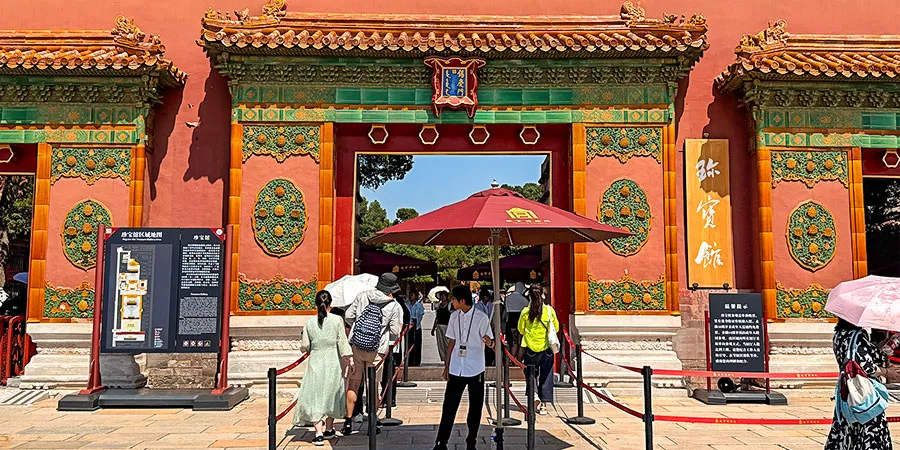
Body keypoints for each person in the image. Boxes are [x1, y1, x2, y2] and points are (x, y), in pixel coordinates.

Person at [343, 273, 403, 436]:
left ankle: (348, 422)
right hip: (377, 350)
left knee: (353, 384)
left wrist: (359, 327)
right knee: (373, 387)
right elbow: (395, 331)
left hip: (357, 346)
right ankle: (372, 422)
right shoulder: (393, 305)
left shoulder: (362, 296)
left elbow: (348, 316)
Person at [433, 286, 493, 450]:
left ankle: (471, 442)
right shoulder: (454, 317)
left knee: (475, 407)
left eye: (454, 299)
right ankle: (441, 442)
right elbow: (451, 341)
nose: (452, 301)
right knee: (449, 406)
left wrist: (490, 342)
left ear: (462, 301)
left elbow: (491, 342)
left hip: (475, 367)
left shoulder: (481, 317)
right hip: (456, 367)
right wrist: (447, 364)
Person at [825, 319, 898, 450]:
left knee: (847, 430)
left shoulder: (839, 334)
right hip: (863, 392)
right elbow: (866, 366)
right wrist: (887, 372)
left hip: (847, 390)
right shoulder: (857, 336)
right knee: (868, 429)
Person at [293, 291, 353, 446]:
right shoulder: (337, 320)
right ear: (330, 303)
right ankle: (330, 428)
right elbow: (342, 342)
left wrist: (306, 347)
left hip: (316, 361)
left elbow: (305, 346)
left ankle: (318, 433)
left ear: (315, 303)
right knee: (331, 394)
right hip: (333, 360)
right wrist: (350, 358)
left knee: (316, 395)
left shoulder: (309, 323)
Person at [518, 283, 558, 416]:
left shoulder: (525, 312)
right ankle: (544, 405)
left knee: (530, 374)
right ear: (542, 295)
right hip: (546, 348)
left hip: (530, 348)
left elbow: (521, 329)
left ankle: (534, 395)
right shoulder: (549, 311)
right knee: (546, 375)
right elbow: (556, 328)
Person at [504, 282, 529, 361]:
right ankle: (518, 361)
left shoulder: (507, 298)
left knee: (511, 342)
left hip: (510, 321)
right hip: (520, 322)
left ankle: (509, 360)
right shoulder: (524, 300)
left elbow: (505, 310)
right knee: (520, 343)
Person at [475, 287, 495, 367]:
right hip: (481, 327)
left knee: (490, 344)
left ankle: (490, 361)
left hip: (490, 326)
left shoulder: (490, 305)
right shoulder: (477, 306)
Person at [432, 291, 452, 362]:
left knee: (447, 344)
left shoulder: (449, 305)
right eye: (441, 296)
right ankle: (445, 359)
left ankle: (449, 359)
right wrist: (433, 328)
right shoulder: (439, 306)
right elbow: (437, 318)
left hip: (447, 327)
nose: (442, 297)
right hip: (439, 327)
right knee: (441, 345)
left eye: (444, 296)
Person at [409, 289, 425, 366]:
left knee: (417, 345)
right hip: (409, 328)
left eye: (412, 295)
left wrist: (417, 323)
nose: (411, 296)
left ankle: (417, 361)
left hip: (417, 327)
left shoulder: (419, 305)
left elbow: (421, 315)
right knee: (409, 344)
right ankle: (410, 360)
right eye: (410, 295)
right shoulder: (407, 305)